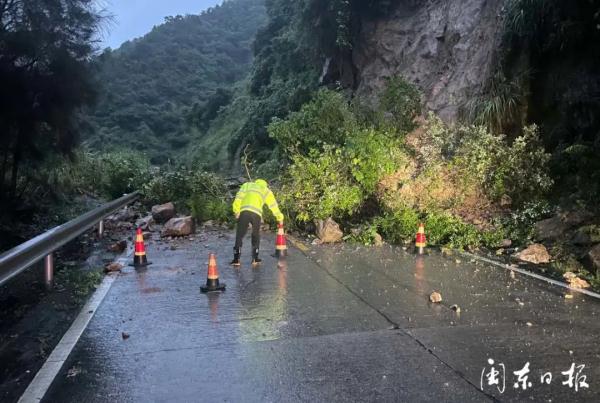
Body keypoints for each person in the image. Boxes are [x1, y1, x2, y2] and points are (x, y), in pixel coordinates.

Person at [231, 179, 284, 266]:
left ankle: (236, 259)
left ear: (256, 182)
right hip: (256, 214)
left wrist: (236, 210)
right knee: (255, 235)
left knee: (239, 235)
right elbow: (273, 205)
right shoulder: (266, 190)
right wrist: (279, 217)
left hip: (245, 211)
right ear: (265, 184)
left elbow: (239, 197)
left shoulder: (247, 185)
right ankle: (255, 259)